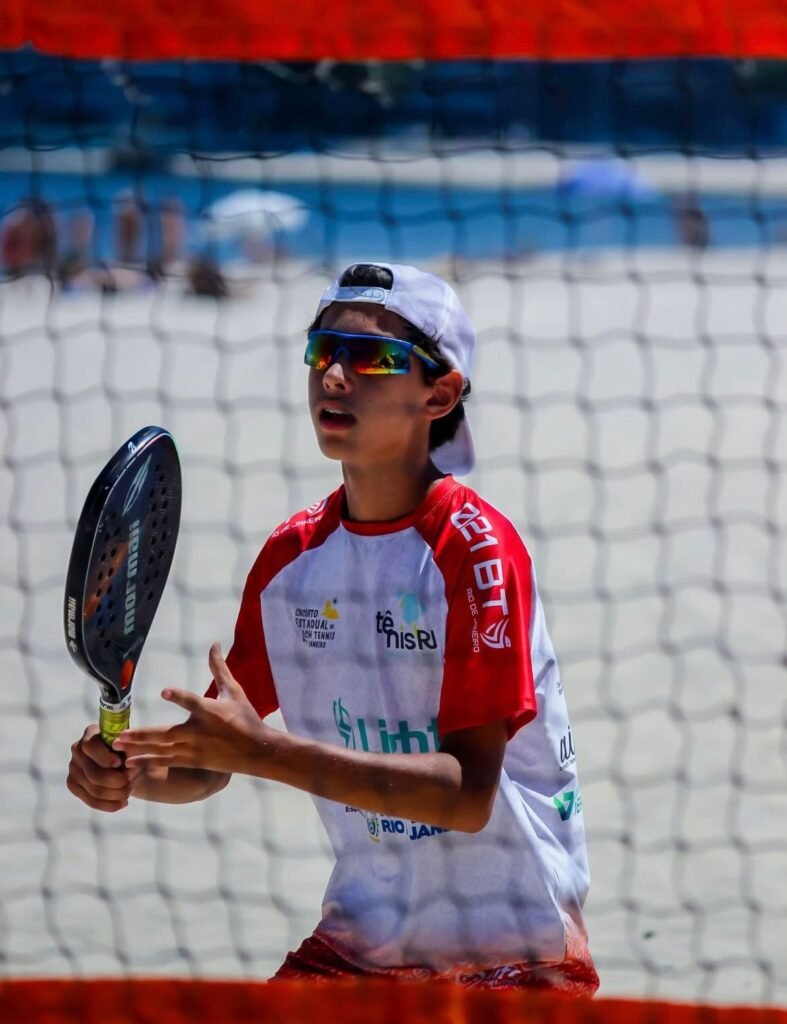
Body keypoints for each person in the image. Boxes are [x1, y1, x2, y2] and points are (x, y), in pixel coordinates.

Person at [67, 262, 599, 994]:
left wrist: (264, 751)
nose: (335, 376)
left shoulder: (475, 550)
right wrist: (128, 770)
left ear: (439, 393)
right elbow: (214, 756)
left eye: (373, 357)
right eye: (322, 351)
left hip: (513, 952)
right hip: (358, 946)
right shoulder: (291, 561)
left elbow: (465, 794)